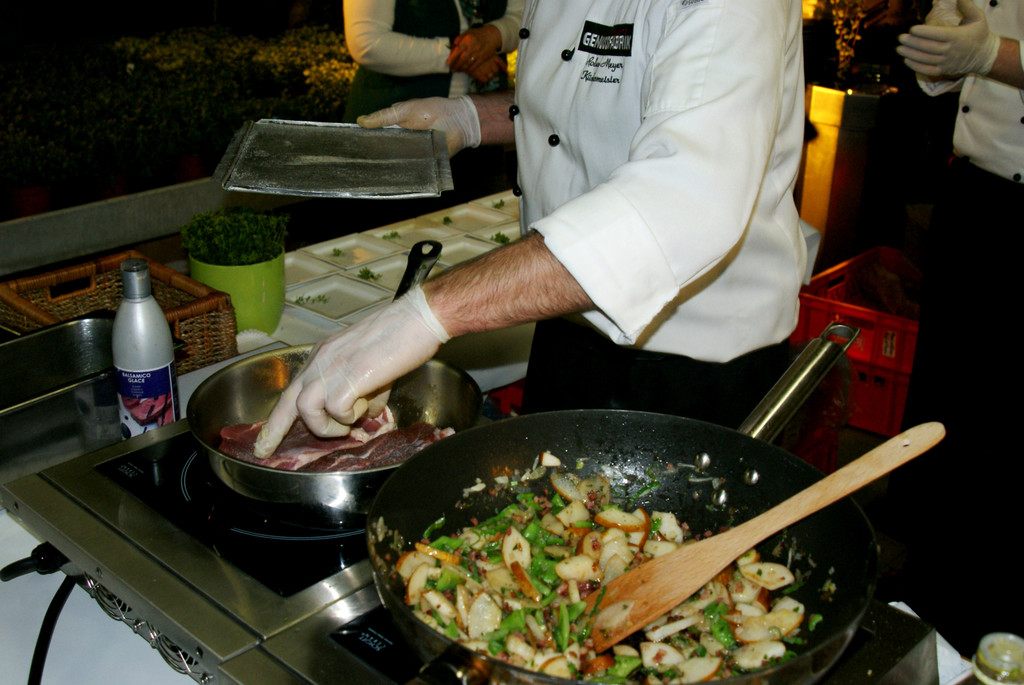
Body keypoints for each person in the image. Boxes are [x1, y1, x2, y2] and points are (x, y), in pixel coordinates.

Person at [254, 0, 808, 459]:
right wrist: (473, 118)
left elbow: (683, 201)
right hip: (563, 318)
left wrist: (426, 313)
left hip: (693, 366)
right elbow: (593, 99)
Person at [879, 0, 1024, 654]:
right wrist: (941, 53)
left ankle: (995, 618)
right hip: (974, 198)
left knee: (1008, 426)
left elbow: (987, 47)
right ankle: (930, 593)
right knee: (948, 402)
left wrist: (991, 54)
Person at [341, 0, 524, 122]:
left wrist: (495, 34)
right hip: (396, 124)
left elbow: (525, 16)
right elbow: (367, 42)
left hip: (485, 124)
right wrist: (462, 54)